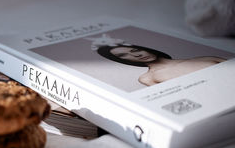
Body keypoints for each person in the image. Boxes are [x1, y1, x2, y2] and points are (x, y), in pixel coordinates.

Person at [91, 35, 226, 86]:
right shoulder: (148, 77)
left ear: (143, 48)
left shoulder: (205, 58)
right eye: (123, 56)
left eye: (135, 50)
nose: (137, 55)